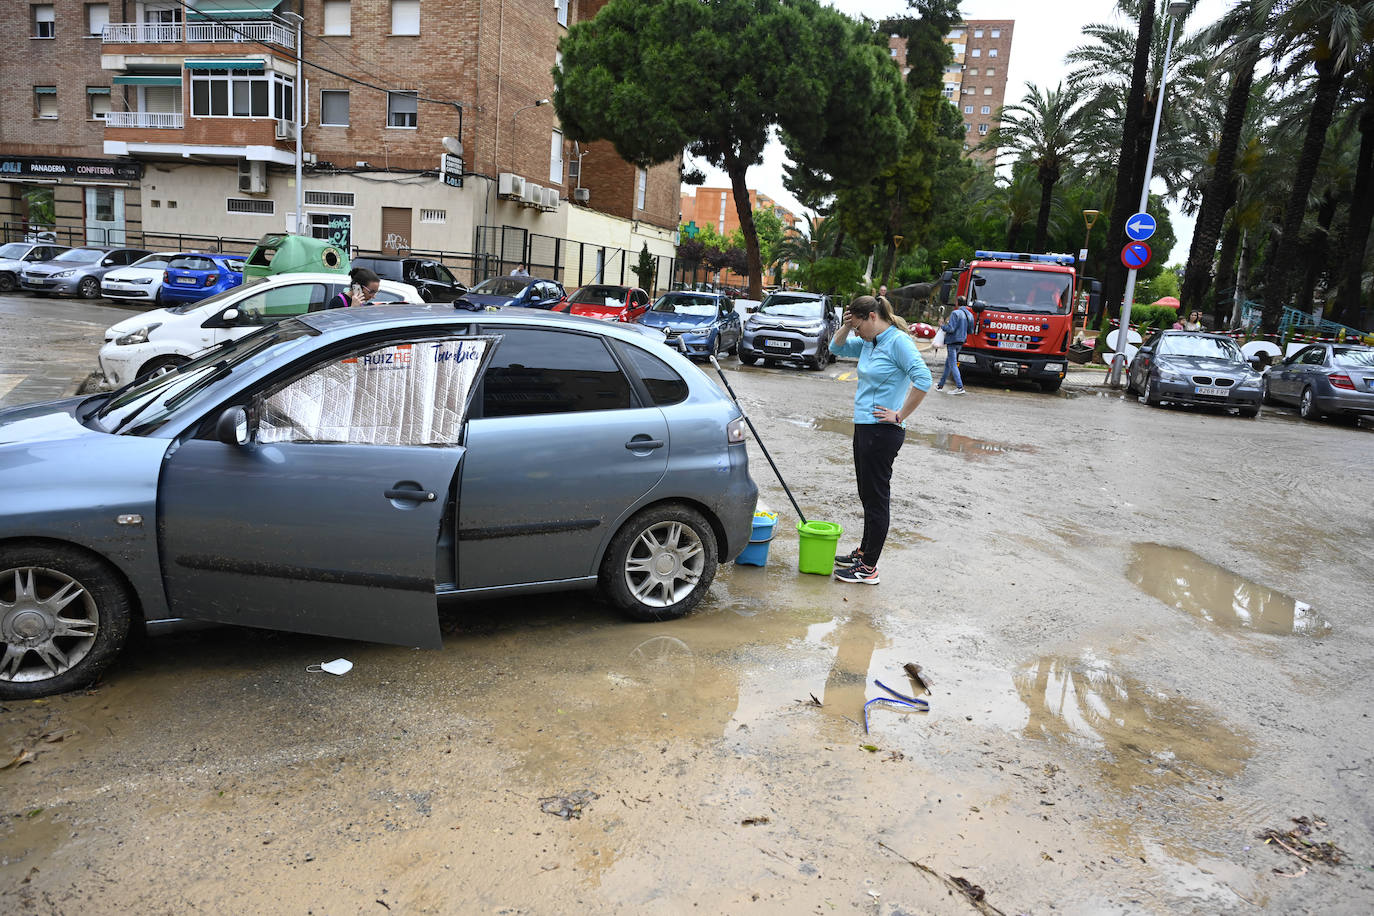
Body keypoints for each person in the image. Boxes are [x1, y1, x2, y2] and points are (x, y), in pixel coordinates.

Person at [828, 296, 932, 585]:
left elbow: (923, 379)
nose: (857, 332)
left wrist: (899, 415)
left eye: (859, 325)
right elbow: (835, 347)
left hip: (883, 431)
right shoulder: (869, 342)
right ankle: (864, 552)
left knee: (876, 499)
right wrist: (847, 326)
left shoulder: (896, 341)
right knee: (866, 494)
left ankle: (869, 567)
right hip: (864, 426)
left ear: (873, 316)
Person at [937, 295, 973, 394]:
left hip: (952, 341)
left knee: (952, 364)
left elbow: (951, 329)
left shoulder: (955, 313)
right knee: (948, 363)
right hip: (961, 341)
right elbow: (970, 330)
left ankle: (960, 387)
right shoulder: (970, 314)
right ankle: (940, 385)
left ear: (957, 302)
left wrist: (942, 326)